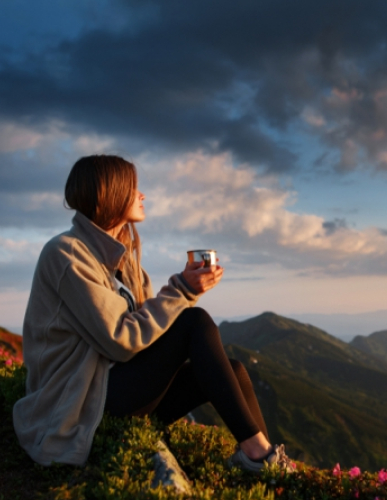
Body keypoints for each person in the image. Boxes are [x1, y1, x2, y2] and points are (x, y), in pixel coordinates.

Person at [13, 154, 293, 473]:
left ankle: (267, 465)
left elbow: (150, 335)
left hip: (114, 390)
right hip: (79, 404)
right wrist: (182, 291)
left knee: (234, 370)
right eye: (134, 189)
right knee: (194, 321)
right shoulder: (65, 254)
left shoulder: (126, 259)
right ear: (111, 193)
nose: (142, 196)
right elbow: (119, 340)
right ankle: (259, 456)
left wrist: (186, 289)